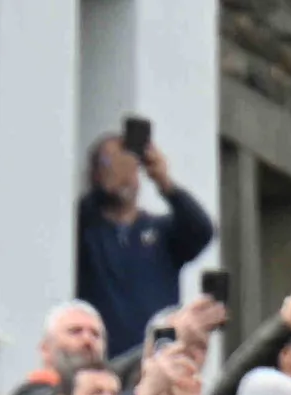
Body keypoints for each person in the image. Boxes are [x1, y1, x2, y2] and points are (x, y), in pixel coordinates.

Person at [73, 128, 213, 358]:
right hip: (103, 360)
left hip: (157, 357)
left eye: (129, 161)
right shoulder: (87, 228)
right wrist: (103, 186)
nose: (123, 169)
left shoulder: (161, 231)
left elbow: (202, 231)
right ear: (96, 172)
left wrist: (165, 183)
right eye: (111, 161)